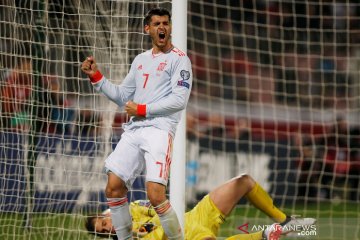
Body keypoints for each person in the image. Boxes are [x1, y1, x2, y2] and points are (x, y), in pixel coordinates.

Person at [81, 7, 192, 240]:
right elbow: (123, 95)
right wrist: (97, 78)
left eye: (165, 23)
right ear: (148, 29)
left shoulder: (180, 60)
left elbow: (179, 100)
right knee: (113, 187)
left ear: (170, 27)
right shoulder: (140, 60)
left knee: (155, 195)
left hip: (159, 130)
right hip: (135, 129)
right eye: (157, 24)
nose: (162, 27)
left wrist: (142, 109)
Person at [85, 174, 316, 240]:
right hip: (188, 236)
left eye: (104, 224)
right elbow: (161, 231)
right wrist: (140, 231)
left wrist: (144, 226)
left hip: (195, 215)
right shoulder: (128, 238)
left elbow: (158, 210)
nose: (109, 228)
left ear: (106, 214)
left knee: (243, 181)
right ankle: (265, 235)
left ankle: (286, 221)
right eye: (104, 232)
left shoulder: (132, 207)